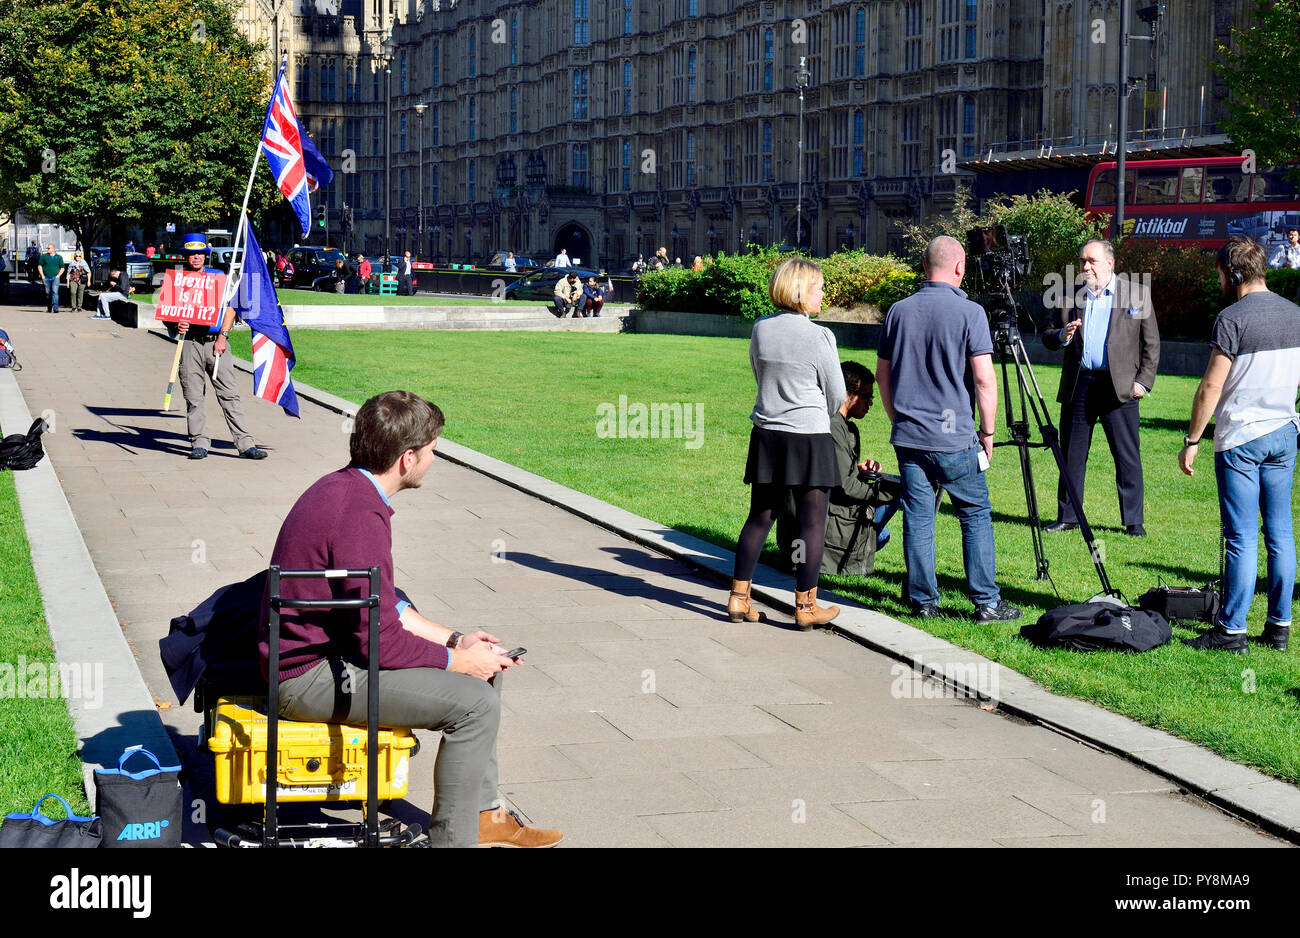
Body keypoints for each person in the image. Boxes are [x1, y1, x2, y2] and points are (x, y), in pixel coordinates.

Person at [261, 391, 563, 847]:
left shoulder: (346, 487)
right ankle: (452, 841)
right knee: (475, 703)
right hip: (303, 677)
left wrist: (459, 642)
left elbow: (388, 604)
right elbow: (375, 641)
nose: (434, 458)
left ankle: (481, 816)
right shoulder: (359, 514)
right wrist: (455, 663)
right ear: (407, 458)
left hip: (324, 655)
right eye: (433, 450)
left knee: (486, 672)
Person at [876, 235, 1020, 622]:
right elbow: (985, 381)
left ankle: (923, 602)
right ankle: (986, 602)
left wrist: (898, 418)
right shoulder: (971, 312)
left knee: (918, 517)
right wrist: (987, 434)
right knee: (974, 514)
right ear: (959, 268)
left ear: (925, 267)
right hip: (955, 436)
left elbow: (882, 376)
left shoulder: (897, 311)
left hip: (909, 435)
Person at [1178, 237, 1300, 653]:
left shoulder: (1231, 318)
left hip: (1242, 438)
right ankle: (1279, 627)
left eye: (1219, 275)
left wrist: (1192, 439)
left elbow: (1211, 385)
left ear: (1233, 273)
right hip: (1285, 431)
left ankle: (1231, 631)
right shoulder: (1296, 314)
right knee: (1281, 532)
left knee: (1242, 536)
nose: (1218, 282)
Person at [727, 257, 846, 630]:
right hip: (808, 436)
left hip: (767, 434)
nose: (823, 294)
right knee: (812, 523)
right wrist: (815, 412)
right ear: (800, 290)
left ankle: (738, 597)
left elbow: (757, 373)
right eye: (819, 287)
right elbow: (837, 394)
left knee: (760, 516)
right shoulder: (820, 336)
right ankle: (805, 606)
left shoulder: (760, 328)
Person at [1042, 238, 1160, 537]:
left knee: (1126, 456)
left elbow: (1152, 345)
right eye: (1082, 261)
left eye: (1091, 261)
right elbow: (1047, 335)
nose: (1085, 266)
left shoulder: (1136, 294)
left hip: (1118, 387)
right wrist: (1061, 336)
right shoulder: (1068, 295)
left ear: (1110, 262)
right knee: (1071, 454)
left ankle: (1133, 522)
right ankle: (1068, 516)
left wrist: (1142, 382)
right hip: (1079, 385)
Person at [777, 360, 900, 577]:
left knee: (884, 533)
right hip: (822, 525)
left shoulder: (827, 420)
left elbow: (833, 473)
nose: (871, 403)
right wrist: (890, 490)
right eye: (866, 396)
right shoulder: (834, 426)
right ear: (846, 395)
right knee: (902, 498)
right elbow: (845, 486)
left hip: (798, 529)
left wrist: (859, 471)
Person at [173, 233, 268, 461]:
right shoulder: (177, 279)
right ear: (185, 256)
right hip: (189, 344)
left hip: (217, 342)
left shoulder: (219, 278)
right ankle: (198, 442)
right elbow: (168, 313)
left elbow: (231, 307)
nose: (195, 257)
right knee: (193, 396)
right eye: (191, 254)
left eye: (199, 254)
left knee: (229, 394)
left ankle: (245, 443)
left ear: (205, 256)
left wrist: (223, 336)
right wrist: (176, 322)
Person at [38, 243, 65, 313]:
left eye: (49, 248)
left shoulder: (58, 257)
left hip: (55, 278)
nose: (47, 249)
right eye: (47, 248)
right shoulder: (44, 257)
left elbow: (62, 267)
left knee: (55, 292)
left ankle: (55, 307)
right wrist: (42, 276)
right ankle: (49, 307)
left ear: (53, 249)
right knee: (47, 293)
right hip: (46, 277)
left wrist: (58, 275)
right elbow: (39, 266)